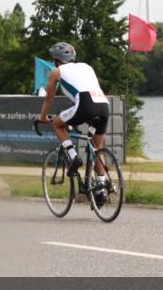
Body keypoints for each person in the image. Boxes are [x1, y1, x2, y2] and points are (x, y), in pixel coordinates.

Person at [37, 42, 111, 203]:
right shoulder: (87, 67)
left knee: (57, 124)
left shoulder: (56, 71)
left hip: (85, 103)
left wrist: (42, 118)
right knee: (97, 147)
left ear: (56, 60)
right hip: (104, 105)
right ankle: (101, 188)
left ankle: (73, 156)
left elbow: (48, 99)